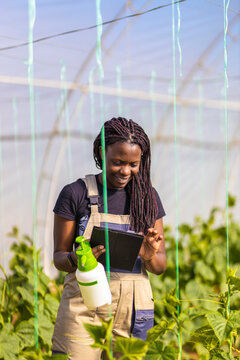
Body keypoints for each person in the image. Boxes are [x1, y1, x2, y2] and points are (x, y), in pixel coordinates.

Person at [52, 117, 166, 359]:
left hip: (133, 307)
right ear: (102, 152)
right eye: (118, 162)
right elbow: (59, 257)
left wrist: (148, 255)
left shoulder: (148, 198)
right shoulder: (76, 194)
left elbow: (160, 266)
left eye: (133, 164)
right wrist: (76, 258)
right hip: (86, 303)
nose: (126, 171)